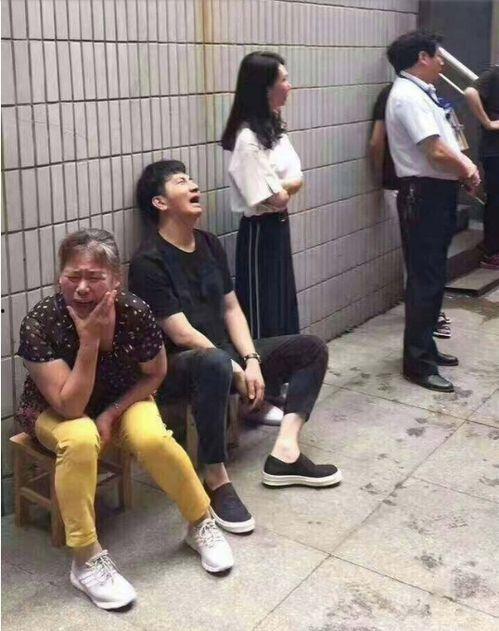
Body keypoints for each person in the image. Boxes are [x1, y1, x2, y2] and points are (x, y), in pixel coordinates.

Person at [15, 229, 233, 611]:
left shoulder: (135, 311)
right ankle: (85, 559)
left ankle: (201, 521)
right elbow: (69, 405)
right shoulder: (40, 322)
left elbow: (156, 372)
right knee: (79, 437)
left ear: (116, 280)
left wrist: (112, 411)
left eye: (95, 277)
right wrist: (88, 342)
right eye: (73, 276)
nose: (82, 288)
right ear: (59, 277)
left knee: (153, 439)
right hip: (55, 409)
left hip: (121, 398)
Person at [128, 160, 342, 537]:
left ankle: (285, 453)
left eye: (192, 179)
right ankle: (215, 477)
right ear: (160, 203)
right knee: (213, 362)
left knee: (310, 348)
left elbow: (231, 308)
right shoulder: (148, 261)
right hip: (177, 368)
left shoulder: (209, 243)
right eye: (181, 182)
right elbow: (180, 333)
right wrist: (234, 367)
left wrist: (251, 360)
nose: (194, 186)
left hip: (225, 356)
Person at [385, 31, 481, 392]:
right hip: (422, 194)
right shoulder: (407, 97)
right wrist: (467, 168)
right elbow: (435, 150)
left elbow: (445, 144)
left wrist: (461, 171)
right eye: (438, 55)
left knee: (433, 274)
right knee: (425, 277)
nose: (442, 61)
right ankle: (417, 362)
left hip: (435, 191)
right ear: (422, 58)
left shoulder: (421, 93)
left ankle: (426, 347)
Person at [221, 51, 303, 341]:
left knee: (282, 301)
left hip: (279, 225)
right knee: (261, 306)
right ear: (266, 88)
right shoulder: (247, 139)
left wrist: (285, 187)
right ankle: (259, 364)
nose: (289, 86)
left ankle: (286, 362)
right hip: (260, 230)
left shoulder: (274, 128)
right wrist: (290, 187)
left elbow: (293, 181)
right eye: (284, 80)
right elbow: (275, 198)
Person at [369, 82, 452, 340]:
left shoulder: (426, 94)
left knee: (423, 257)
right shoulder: (398, 94)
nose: (441, 64)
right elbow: (376, 141)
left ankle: (427, 316)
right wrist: (381, 177)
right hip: (405, 185)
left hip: (422, 186)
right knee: (418, 258)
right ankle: (424, 319)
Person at [464, 64, 499, 270]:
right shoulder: (494, 74)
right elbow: (470, 92)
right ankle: (491, 251)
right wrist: (488, 122)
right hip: (495, 151)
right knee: (496, 201)